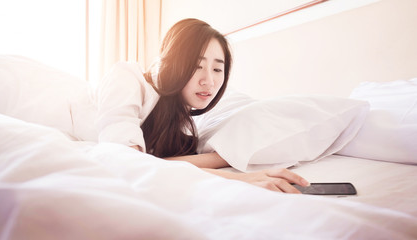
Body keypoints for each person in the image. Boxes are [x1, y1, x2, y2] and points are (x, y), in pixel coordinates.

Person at [95, 18, 309, 193]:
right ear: (172, 64)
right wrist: (239, 179)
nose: (209, 81)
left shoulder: (182, 122)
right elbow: (125, 161)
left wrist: (221, 157)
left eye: (217, 70)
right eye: (197, 66)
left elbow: (165, 163)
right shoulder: (127, 77)